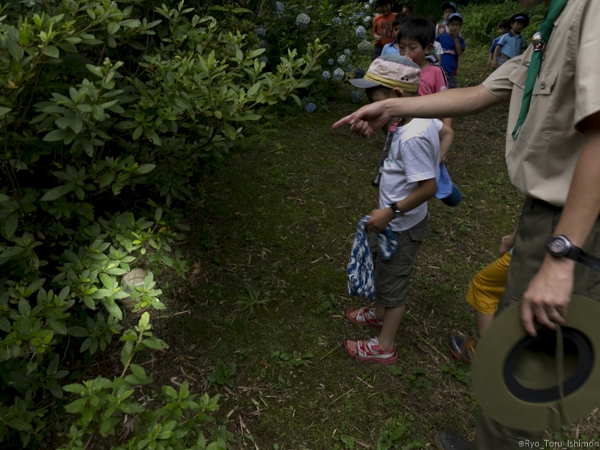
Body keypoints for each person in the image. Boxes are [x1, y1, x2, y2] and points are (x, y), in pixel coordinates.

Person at [333, 0, 600, 448]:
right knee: (516, 343)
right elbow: (484, 91)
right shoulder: (562, 15)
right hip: (549, 213)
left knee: (530, 360)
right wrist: (399, 111)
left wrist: (562, 252)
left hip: (576, 221)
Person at [343, 54, 441, 365]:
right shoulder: (417, 120)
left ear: (397, 97)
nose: (369, 106)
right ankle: (378, 312)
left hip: (401, 225)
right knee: (383, 273)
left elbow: (429, 188)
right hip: (394, 221)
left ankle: (384, 345)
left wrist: (391, 212)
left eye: (375, 101)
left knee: (394, 284)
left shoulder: (412, 138)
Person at [449, 229, 516, 363]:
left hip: (530, 252)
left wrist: (510, 242)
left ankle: (483, 352)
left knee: (483, 287)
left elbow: (535, 215)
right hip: (562, 260)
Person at [435, 13, 465, 89]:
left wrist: (455, 38)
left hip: (451, 71)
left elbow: (459, 52)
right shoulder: (441, 37)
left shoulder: (460, 40)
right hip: (440, 69)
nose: (455, 27)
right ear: (448, 25)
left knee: (451, 91)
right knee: (439, 89)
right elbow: (432, 45)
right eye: (453, 24)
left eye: (457, 25)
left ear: (460, 26)